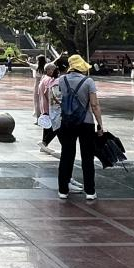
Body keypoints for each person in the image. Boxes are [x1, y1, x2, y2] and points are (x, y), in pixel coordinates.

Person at [54, 54, 103, 202]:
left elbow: (58, 98)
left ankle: (63, 190)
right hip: (86, 122)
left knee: (66, 155)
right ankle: (90, 191)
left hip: (67, 122)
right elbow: (94, 105)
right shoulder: (88, 81)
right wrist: (100, 124)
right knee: (87, 156)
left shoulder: (61, 80)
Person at [36, 63, 60, 156]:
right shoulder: (49, 80)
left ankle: (44, 145)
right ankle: (44, 142)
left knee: (47, 126)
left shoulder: (43, 79)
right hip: (50, 107)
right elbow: (49, 94)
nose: (56, 71)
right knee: (55, 127)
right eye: (54, 70)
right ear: (48, 70)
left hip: (44, 106)